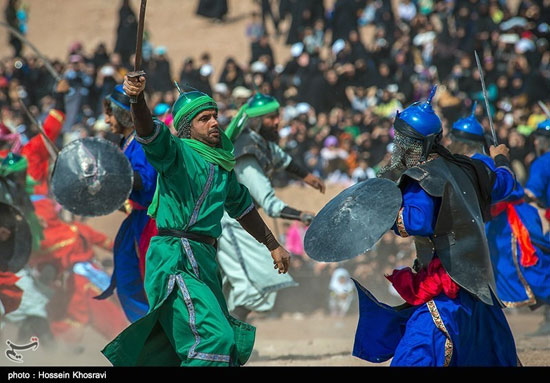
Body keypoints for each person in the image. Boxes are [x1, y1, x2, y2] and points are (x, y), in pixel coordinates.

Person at [101, 73, 291, 367]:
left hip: (203, 261)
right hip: (174, 259)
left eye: (214, 116)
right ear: (188, 127)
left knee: (200, 344)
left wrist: (273, 245)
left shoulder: (222, 166)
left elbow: (243, 208)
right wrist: (137, 100)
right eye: (204, 118)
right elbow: (149, 131)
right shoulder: (174, 152)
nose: (215, 122)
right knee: (214, 339)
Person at [353, 86, 518, 366]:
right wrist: (500, 157)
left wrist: (381, 211)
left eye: (401, 141)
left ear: (413, 143)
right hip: (477, 282)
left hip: (447, 283)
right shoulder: (469, 167)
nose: (397, 147)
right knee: (486, 355)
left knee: (417, 353)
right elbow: (506, 183)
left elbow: (416, 221)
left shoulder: (421, 178)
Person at [217, 92, 325, 322]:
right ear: (256, 121)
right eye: (270, 118)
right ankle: (228, 343)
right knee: (257, 284)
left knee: (238, 289)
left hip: (243, 224)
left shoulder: (261, 142)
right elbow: (270, 204)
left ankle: (228, 344)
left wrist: (307, 176)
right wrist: (301, 215)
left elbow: (283, 159)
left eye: (277, 116)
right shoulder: (245, 151)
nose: (277, 121)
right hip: (232, 224)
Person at [448, 104, 550, 328]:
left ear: (460, 142)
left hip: (508, 225)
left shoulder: (480, 163)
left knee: (528, 267)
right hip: (493, 225)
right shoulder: (474, 162)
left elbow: (513, 190)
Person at [94, 85, 157, 323]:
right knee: (128, 280)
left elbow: (145, 180)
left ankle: (166, 339)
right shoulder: (126, 142)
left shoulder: (142, 141)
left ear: (123, 114)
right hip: (136, 221)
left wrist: (111, 175)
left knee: (150, 283)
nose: (107, 119)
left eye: (110, 114)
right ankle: (147, 334)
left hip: (152, 224)